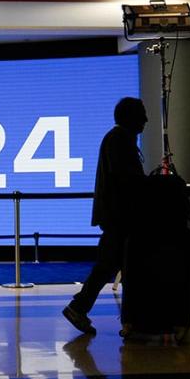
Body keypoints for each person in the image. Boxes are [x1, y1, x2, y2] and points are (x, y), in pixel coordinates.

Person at [63, 96, 148, 334]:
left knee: (109, 265)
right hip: (120, 217)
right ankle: (127, 320)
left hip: (117, 216)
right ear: (131, 117)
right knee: (118, 266)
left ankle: (83, 308)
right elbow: (127, 179)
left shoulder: (118, 138)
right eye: (142, 114)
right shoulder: (120, 140)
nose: (146, 120)